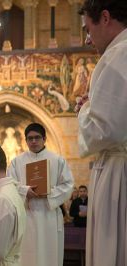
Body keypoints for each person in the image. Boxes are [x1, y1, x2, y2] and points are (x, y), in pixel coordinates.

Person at [76, 1, 127, 265]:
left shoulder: (118, 55)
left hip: (118, 172)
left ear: (105, 18)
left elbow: (103, 131)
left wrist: (84, 109)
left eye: (88, 28)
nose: (86, 39)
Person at [7, 123, 74, 266]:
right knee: (27, 256)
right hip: (27, 215)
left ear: (44, 138)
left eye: (37, 138)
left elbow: (68, 184)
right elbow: (10, 185)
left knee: (48, 255)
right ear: (25, 140)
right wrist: (25, 191)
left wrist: (48, 193)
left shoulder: (57, 160)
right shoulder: (16, 162)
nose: (33, 141)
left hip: (48, 215)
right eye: (30, 138)